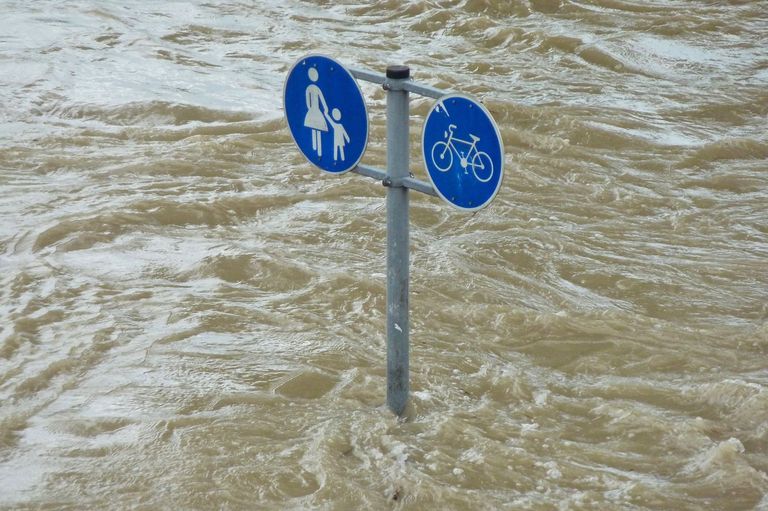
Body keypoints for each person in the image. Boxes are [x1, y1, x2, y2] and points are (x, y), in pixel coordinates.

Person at [303, 68, 328, 157]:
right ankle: (316, 150)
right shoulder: (312, 88)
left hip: (314, 110)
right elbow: (320, 100)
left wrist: (311, 108)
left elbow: (320, 99)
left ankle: (317, 150)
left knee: (316, 128)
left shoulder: (311, 88)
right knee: (315, 128)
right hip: (315, 110)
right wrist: (324, 109)